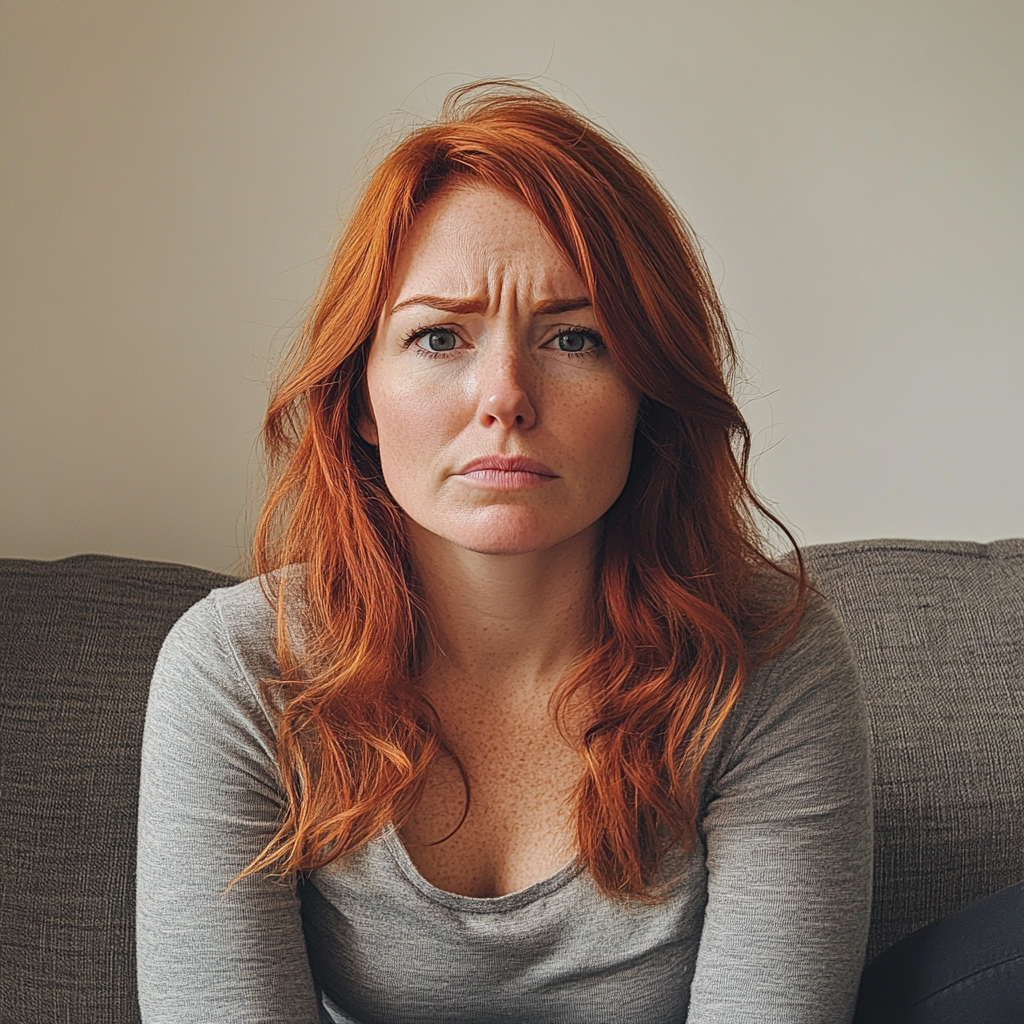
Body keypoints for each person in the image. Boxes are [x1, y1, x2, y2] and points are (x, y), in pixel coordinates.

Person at [136, 82, 873, 1023]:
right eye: (439, 336)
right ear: (360, 398)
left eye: (575, 338)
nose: (506, 398)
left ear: (647, 391)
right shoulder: (242, 670)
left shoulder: (768, 656)